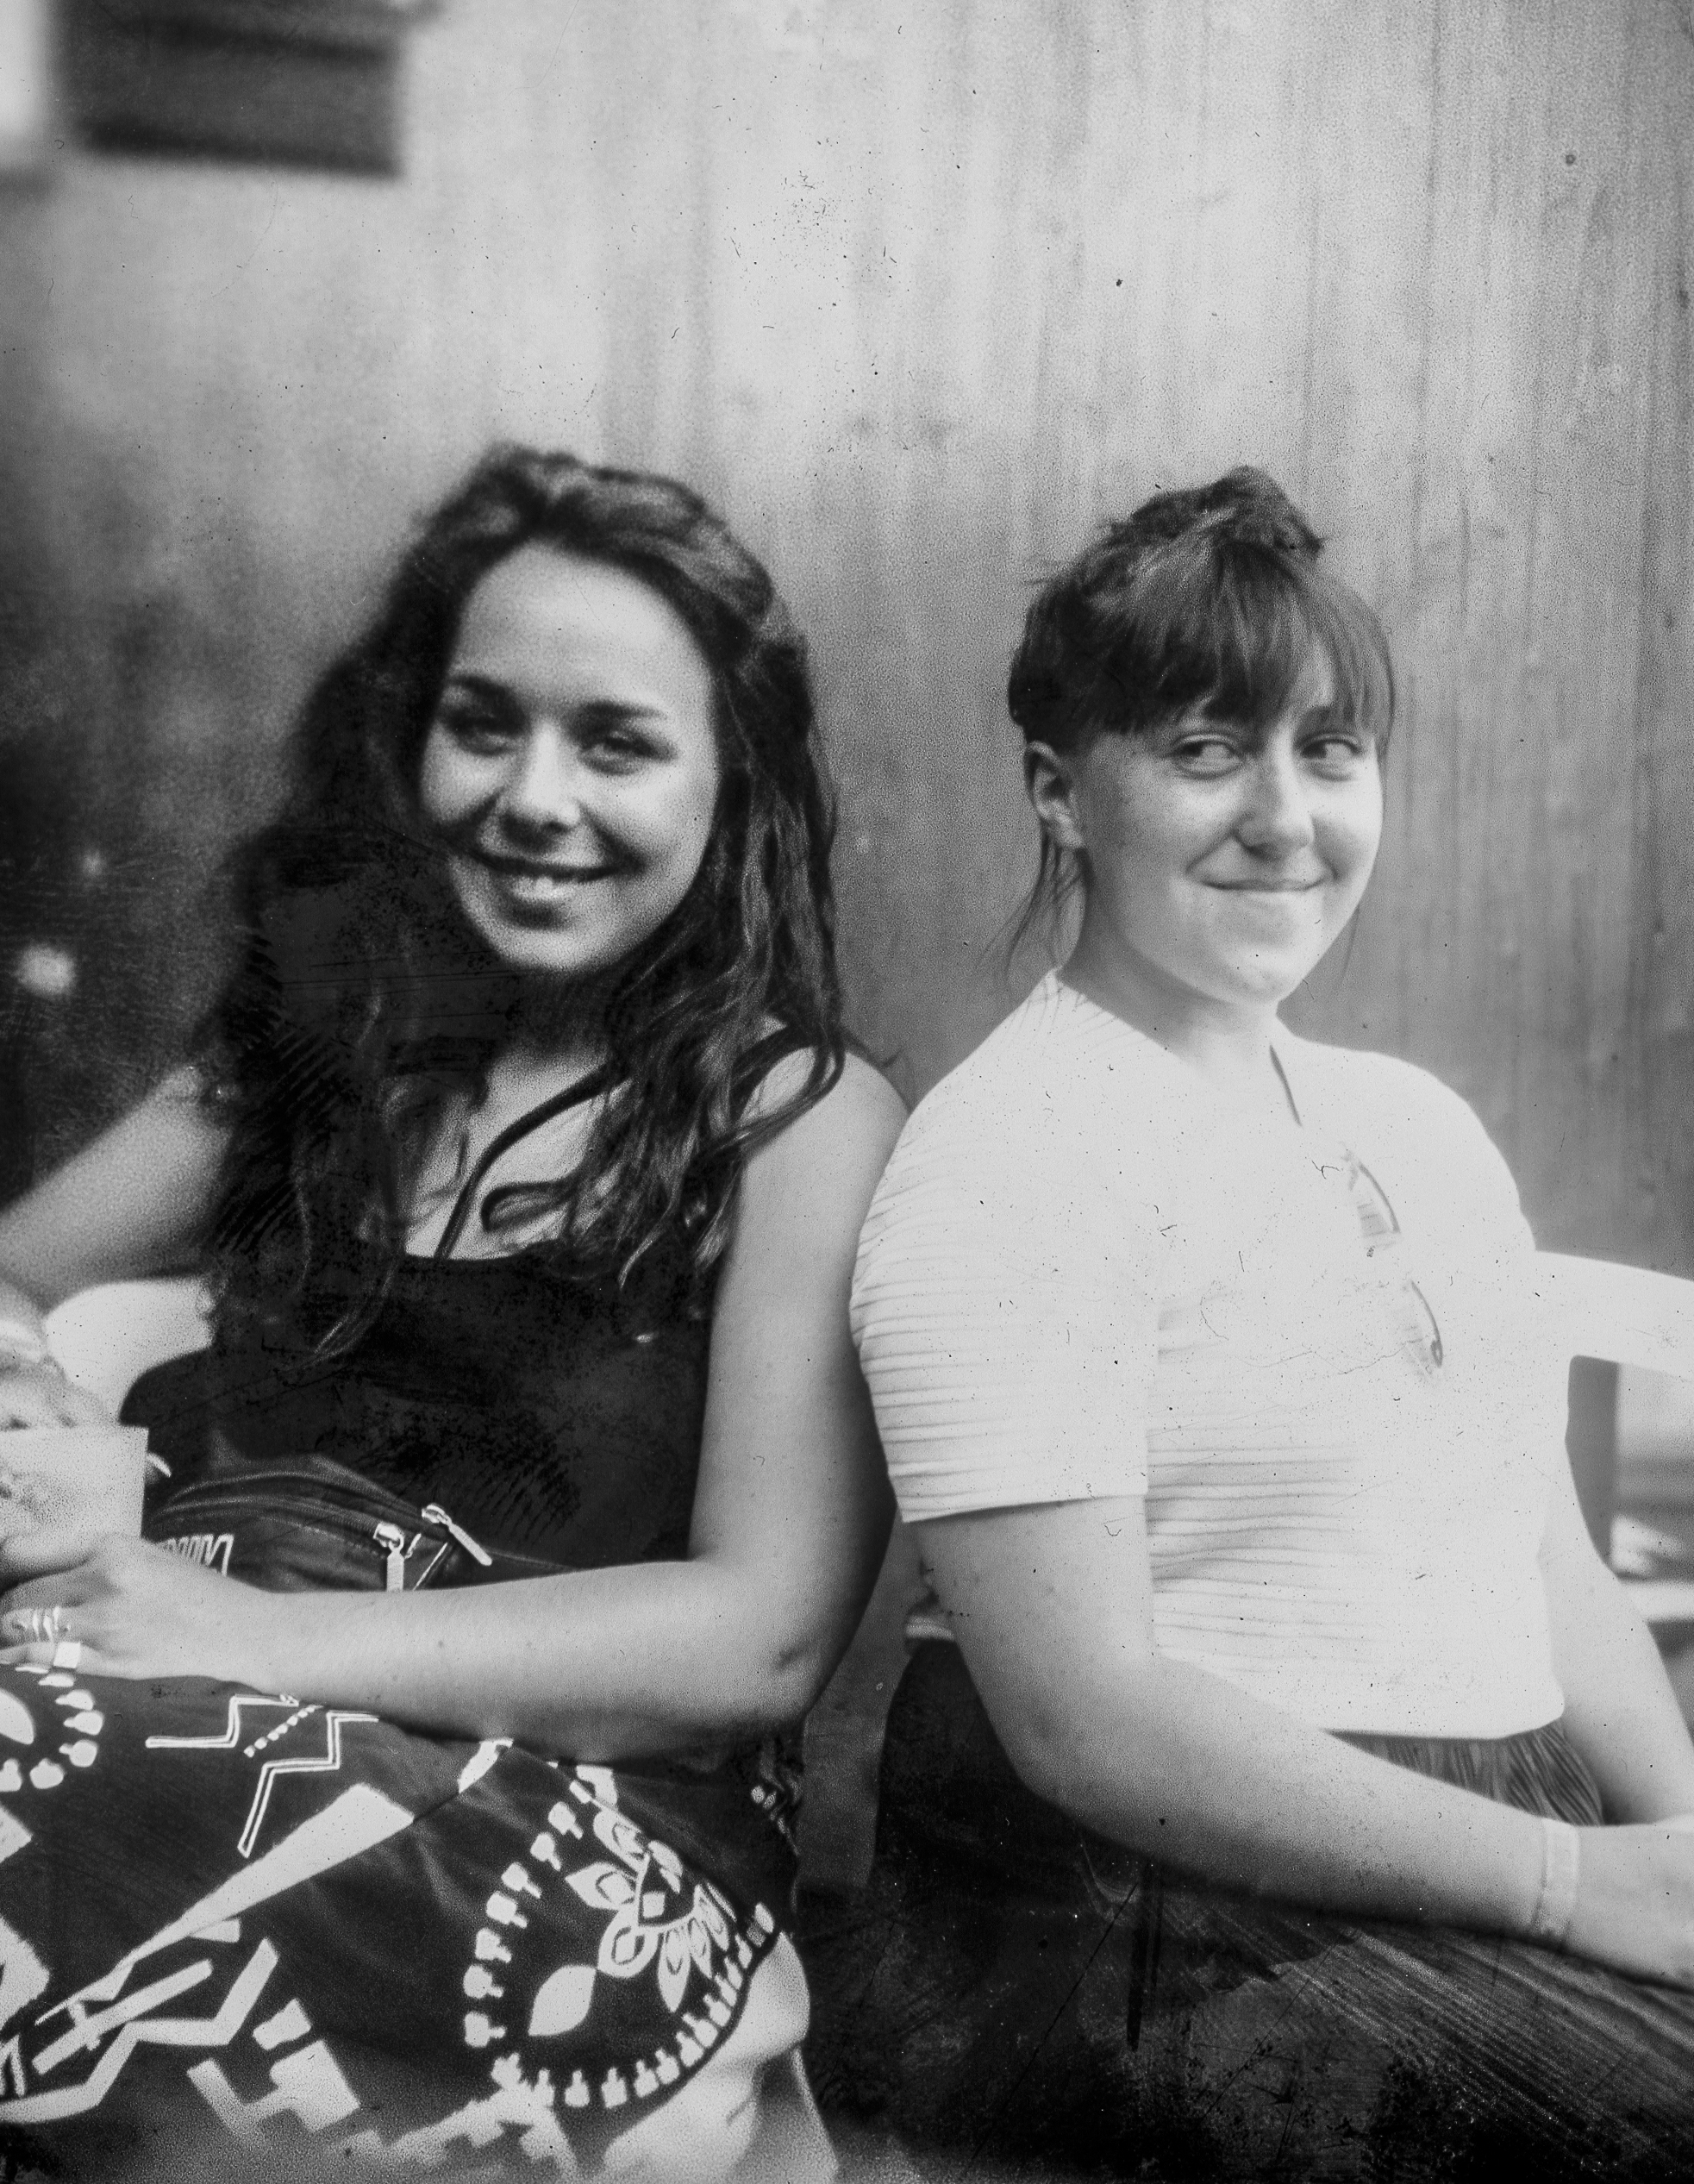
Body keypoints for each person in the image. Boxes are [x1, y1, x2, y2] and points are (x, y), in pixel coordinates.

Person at [0, 446, 903, 2180]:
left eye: (616, 743)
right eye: (485, 725)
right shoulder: (315, 1051)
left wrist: (253, 1638)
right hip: (177, 1737)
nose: (534, 798)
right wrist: (28, 1391)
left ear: (732, 781)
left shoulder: (796, 1116)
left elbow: (761, 1642)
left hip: (566, 1856)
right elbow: (12, 1270)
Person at [822, 469, 1694, 2181]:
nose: (1283, 817)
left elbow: (1539, 1547)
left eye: (1329, 749)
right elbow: (1084, 1721)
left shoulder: (1414, 1125)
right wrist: (1573, 1884)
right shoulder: (1009, 1150)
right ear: (1058, 791)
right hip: (1140, 1925)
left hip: (1474, 1854)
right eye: (1207, 751)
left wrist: (1674, 1840)